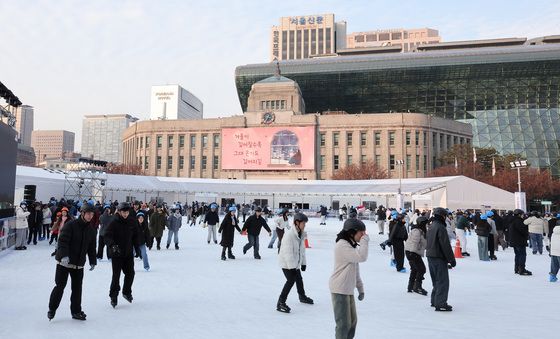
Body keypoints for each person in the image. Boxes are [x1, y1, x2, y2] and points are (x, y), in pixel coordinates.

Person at [47, 204, 97, 321]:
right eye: (88, 213)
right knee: (60, 286)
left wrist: (92, 261)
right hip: (64, 263)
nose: (90, 216)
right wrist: (64, 256)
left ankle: (76, 311)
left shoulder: (91, 230)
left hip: (78, 264)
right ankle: (52, 309)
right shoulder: (71, 225)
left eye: (92, 214)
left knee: (77, 288)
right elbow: (63, 241)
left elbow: (91, 247)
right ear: (83, 213)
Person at [329, 218, 369, 339]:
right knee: (343, 324)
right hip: (339, 288)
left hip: (347, 288)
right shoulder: (342, 245)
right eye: (361, 233)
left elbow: (355, 270)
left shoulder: (351, 246)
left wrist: (360, 288)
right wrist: (365, 241)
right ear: (352, 232)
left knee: (352, 322)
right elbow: (362, 257)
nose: (363, 235)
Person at [104, 202, 140, 308]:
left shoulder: (132, 221)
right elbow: (107, 236)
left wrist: (137, 249)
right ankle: (113, 296)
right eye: (123, 212)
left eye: (127, 212)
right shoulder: (114, 222)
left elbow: (136, 236)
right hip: (117, 254)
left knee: (130, 273)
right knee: (116, 276)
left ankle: (126, 292)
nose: (125, 214)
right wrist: (112, 245)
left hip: (128, 253)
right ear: (119, 212)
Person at [276, 213, 313, 313]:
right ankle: (280, 302)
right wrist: (292, 267)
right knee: (291, 280)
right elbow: (288, 253)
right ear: (297, 223)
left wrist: (303, 263)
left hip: (295, 263)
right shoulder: (289, 235)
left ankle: (302, 296)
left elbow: (302, 251)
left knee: (299, 279)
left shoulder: (301, 234)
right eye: (303, 223)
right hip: (286, 262)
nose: (305, 225)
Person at [426, 207, 456, 312]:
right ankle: (441, 303)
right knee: (442, 281)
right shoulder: (440, 227)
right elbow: (445, 245)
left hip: (430, 255)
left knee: (436, 280)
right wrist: (451, 259)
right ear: (442, 216)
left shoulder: (431, 226)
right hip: (438, 256)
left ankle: (435, 300)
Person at [405, 216, 428, 295]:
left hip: (412, 252)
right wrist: (412, 253)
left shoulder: (420, 231)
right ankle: (417, 287)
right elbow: (414, 242)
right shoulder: (417, 231)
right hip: (412, 252)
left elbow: (423, 243)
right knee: (421, 269)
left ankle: (410, 286)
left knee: (415, 269)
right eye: (425, 223)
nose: (426, 225)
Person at [510, 209, 532, 275]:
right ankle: (522, 269)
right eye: (522, 214)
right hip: (519, 241)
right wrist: (526, 234)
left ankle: (517, 269)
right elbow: (523, 231)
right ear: (519, 214)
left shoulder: (512, 221)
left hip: (514, 241)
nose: (523, 215)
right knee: (522, 255)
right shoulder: (518, 221)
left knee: (517, 255)